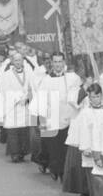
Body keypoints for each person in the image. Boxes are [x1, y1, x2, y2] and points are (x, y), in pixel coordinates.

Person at [32, 52, 82, 180]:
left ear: (64, 62)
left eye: (60, 61)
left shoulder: (72, 78)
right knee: (54, 147)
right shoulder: (46, 80)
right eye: (55, 62)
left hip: (68, 116)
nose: (58, 64)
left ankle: (65, 172)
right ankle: (57, 170)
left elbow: (78, 95)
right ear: (52, 63)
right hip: (52, 118)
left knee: (65, 147)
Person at [0, 49, 33, 162]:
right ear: (12, 61)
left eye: (20, 60)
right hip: (13, 106)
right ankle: (14, 153)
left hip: (25, 105)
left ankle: (23, 152)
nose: (18, 62)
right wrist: (16, 98)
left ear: (23, 61)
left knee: (24, 130)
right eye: (15, 60)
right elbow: (4, 89)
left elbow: (32, 87)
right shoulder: (7, 75)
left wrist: (27, 98)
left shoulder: (29, 73)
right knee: (13, 131)